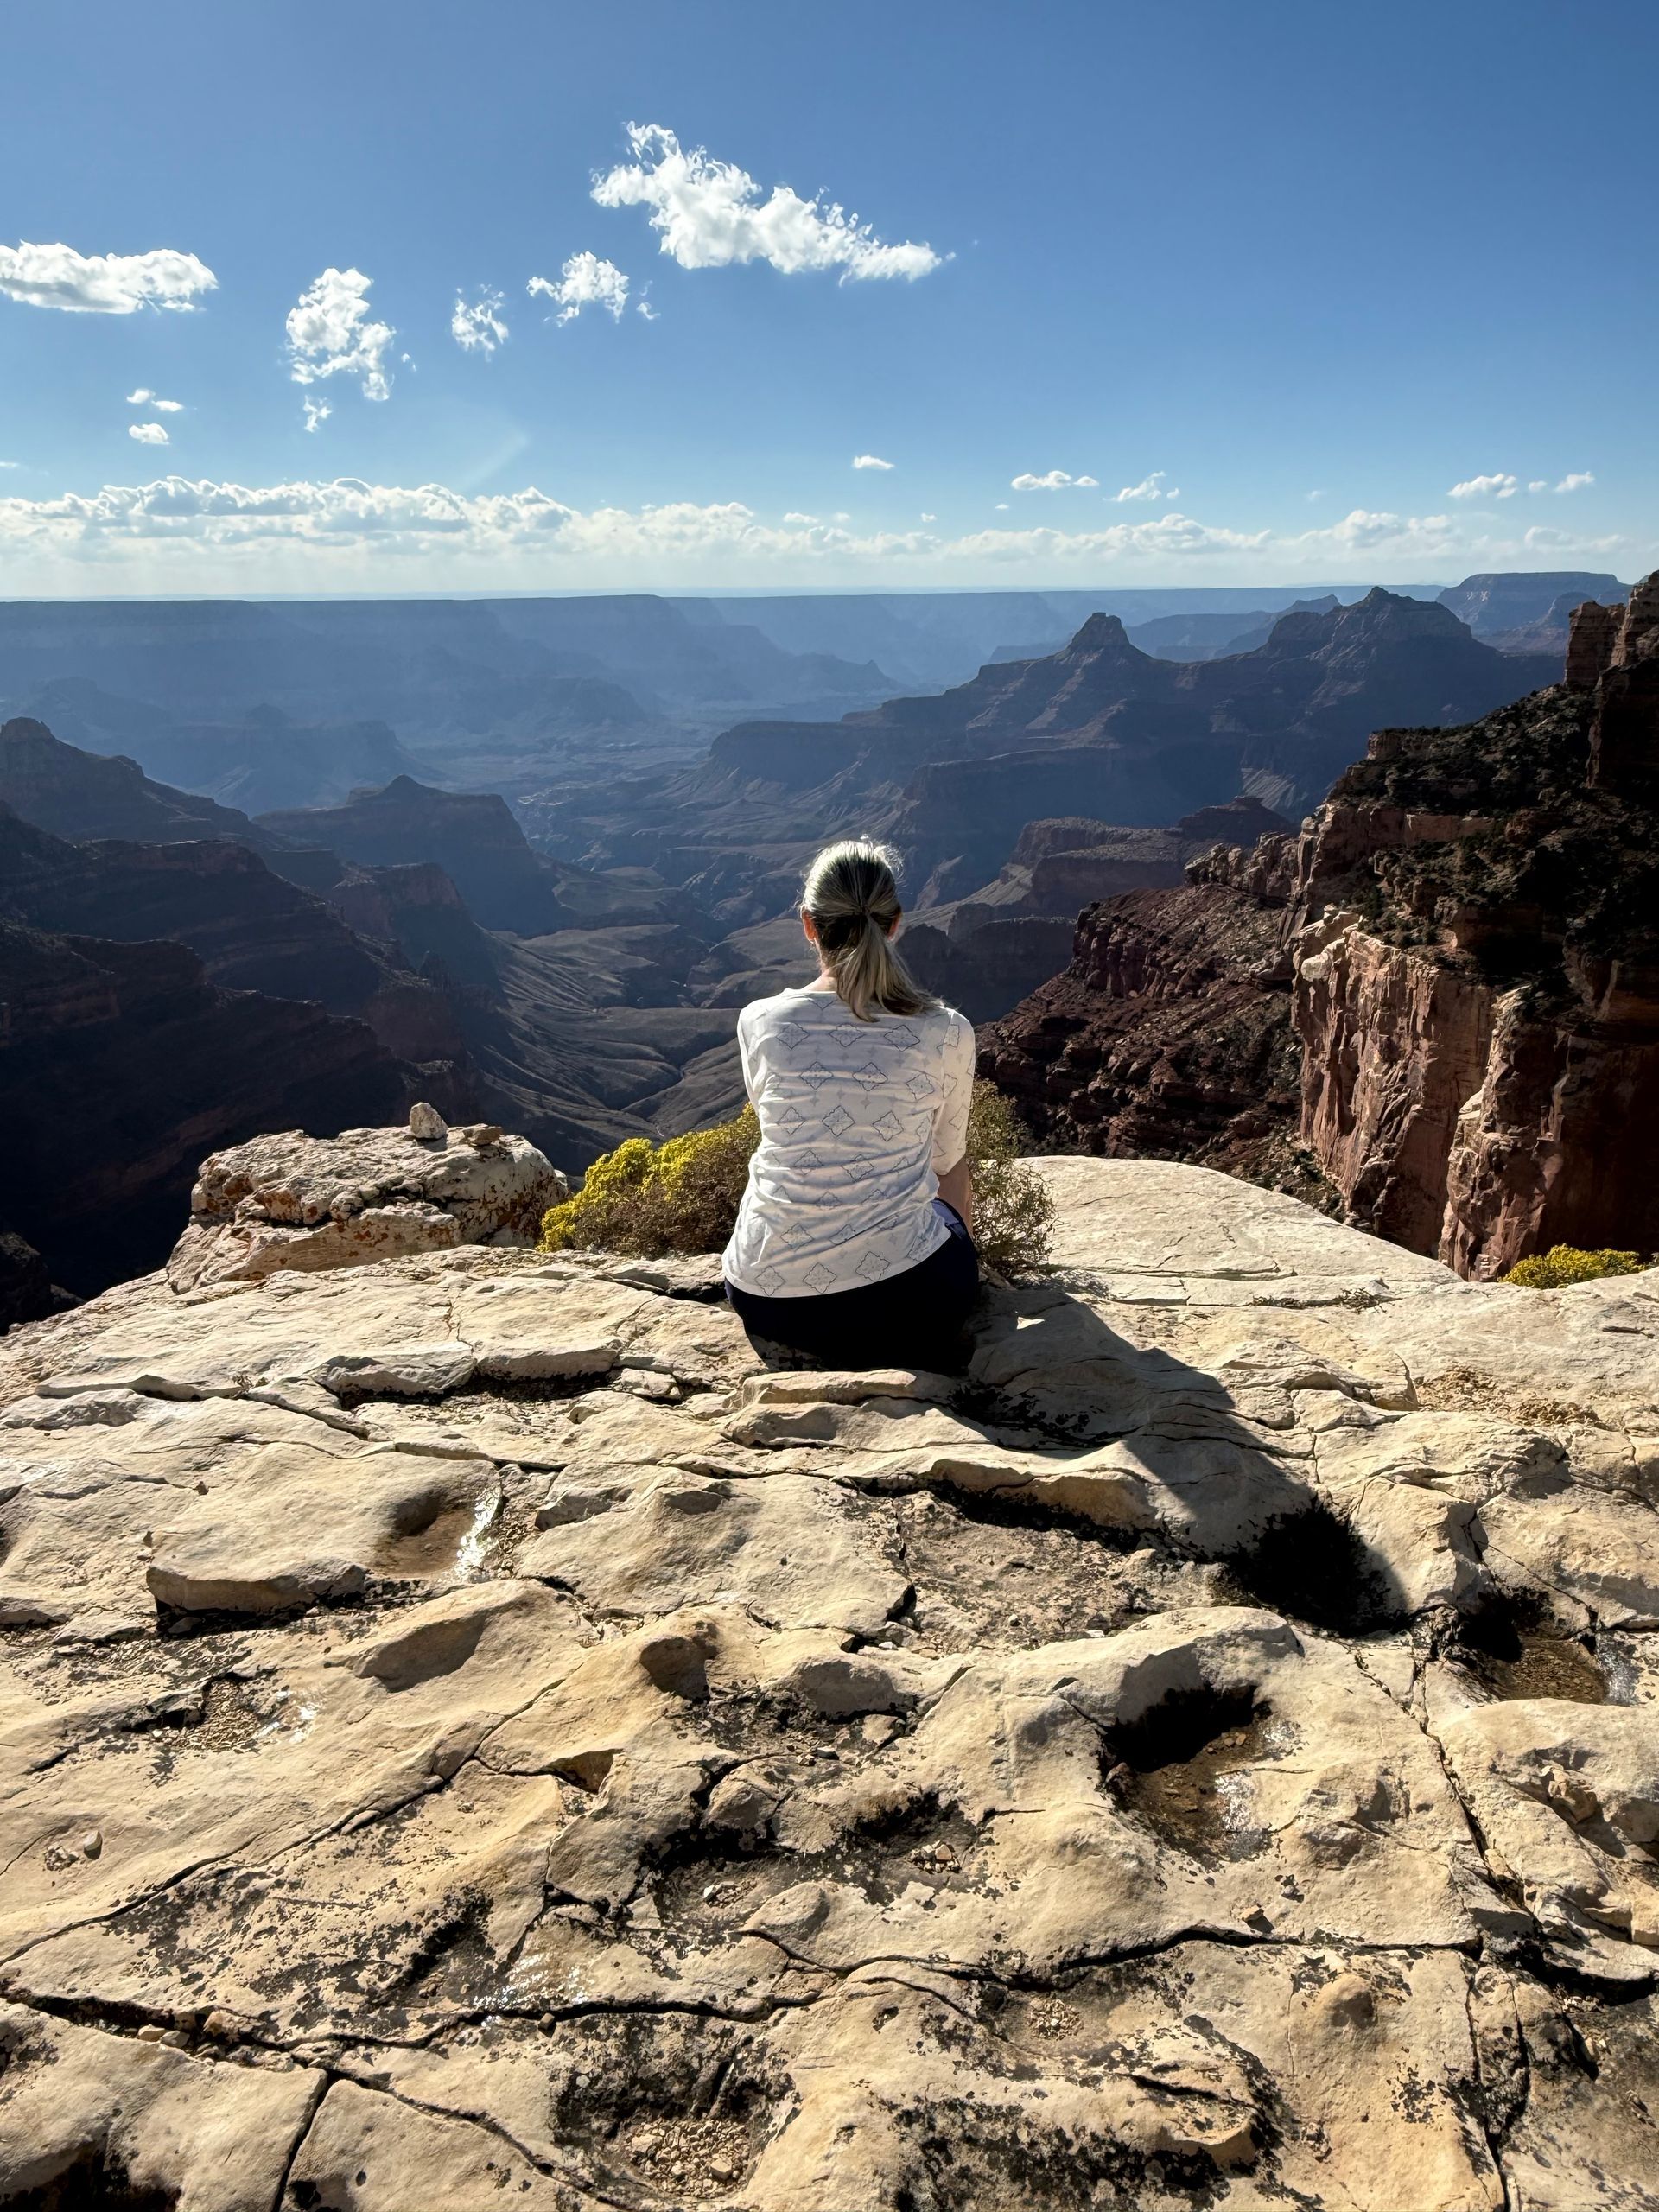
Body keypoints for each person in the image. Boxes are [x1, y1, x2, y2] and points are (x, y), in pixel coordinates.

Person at [722, 838, 978, 1370]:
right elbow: (945, 1160)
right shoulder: (946, 1031)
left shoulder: (759, 1021)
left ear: (809, 924)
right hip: (899, 1305)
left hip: (764, 1296)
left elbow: (776, 1123)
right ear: (896, 923)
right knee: (953, 1179)